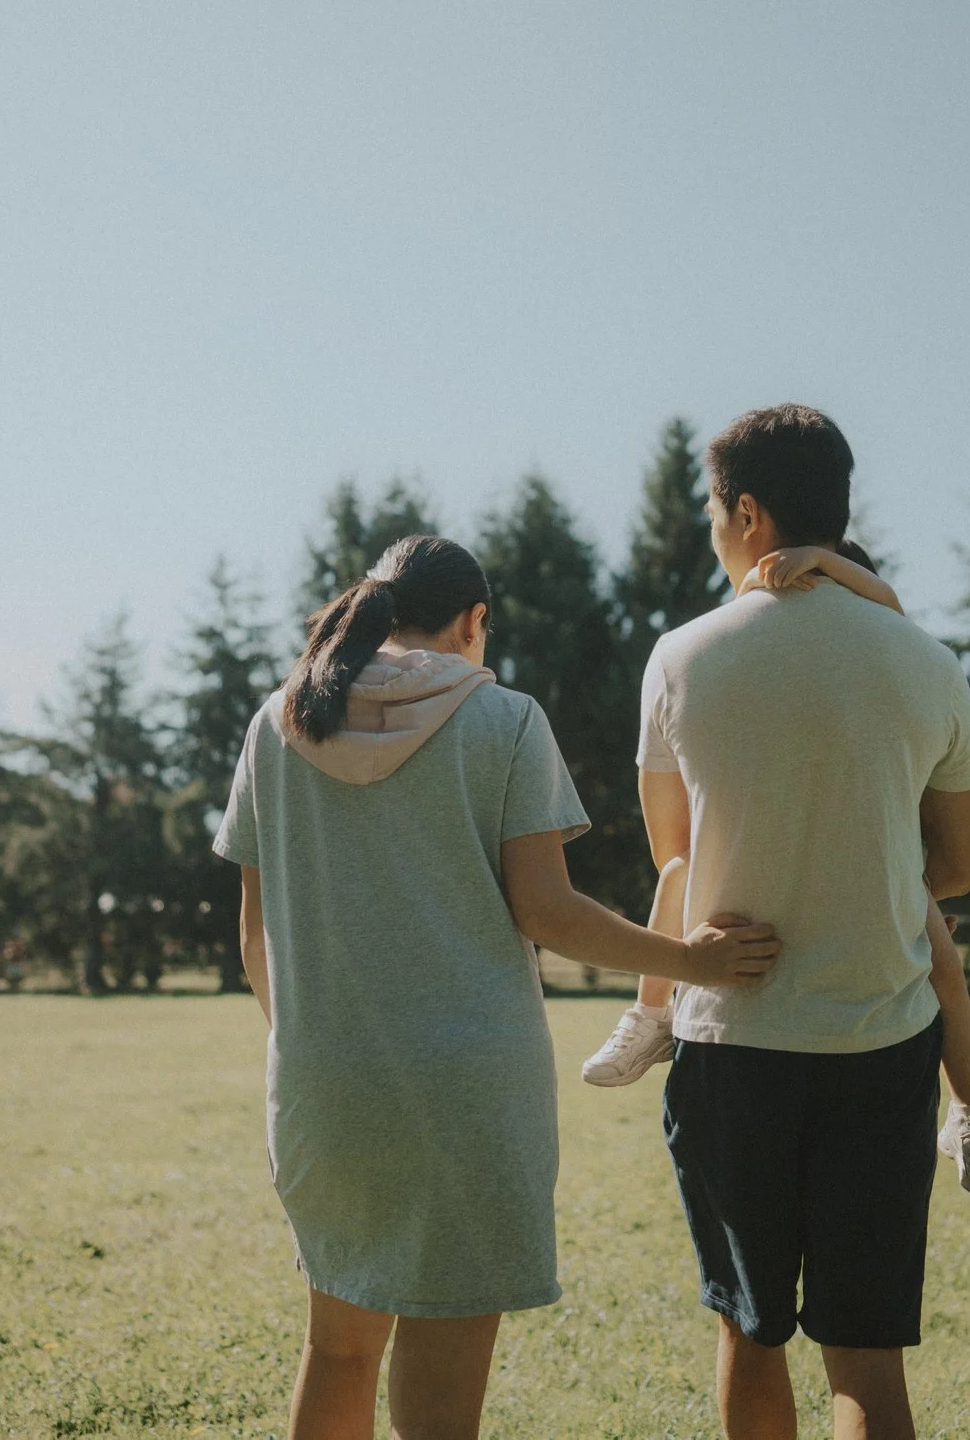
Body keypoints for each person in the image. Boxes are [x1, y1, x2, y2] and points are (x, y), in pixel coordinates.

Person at [216, 534, 781, 1440]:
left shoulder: (279, 722)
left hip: (324, 1091)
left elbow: (256, 937)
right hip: (466, 1094)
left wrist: (320, 1043)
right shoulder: (505, 720)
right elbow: (549, 912)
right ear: (475, 621)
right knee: (442, 1366)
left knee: (339, 1349)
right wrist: (696, 962)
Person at [627, 405, 970, 1440]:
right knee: (866, 1355)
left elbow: (673, 855)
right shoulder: (928, 661)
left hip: (732, 1042)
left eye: (712, 509)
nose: (709, 525)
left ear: (745, 509)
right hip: (882, 1039)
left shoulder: (680, 656)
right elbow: (953, 865)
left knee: (750, 1333)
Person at [582, 539, 970, 1199]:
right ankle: (650, 1017)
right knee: (678, 872)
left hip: (881, 877)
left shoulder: (897, 642)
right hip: (772, 901)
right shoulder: (739, 651)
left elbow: (890, 609)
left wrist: (827, 561)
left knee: (947, 967)